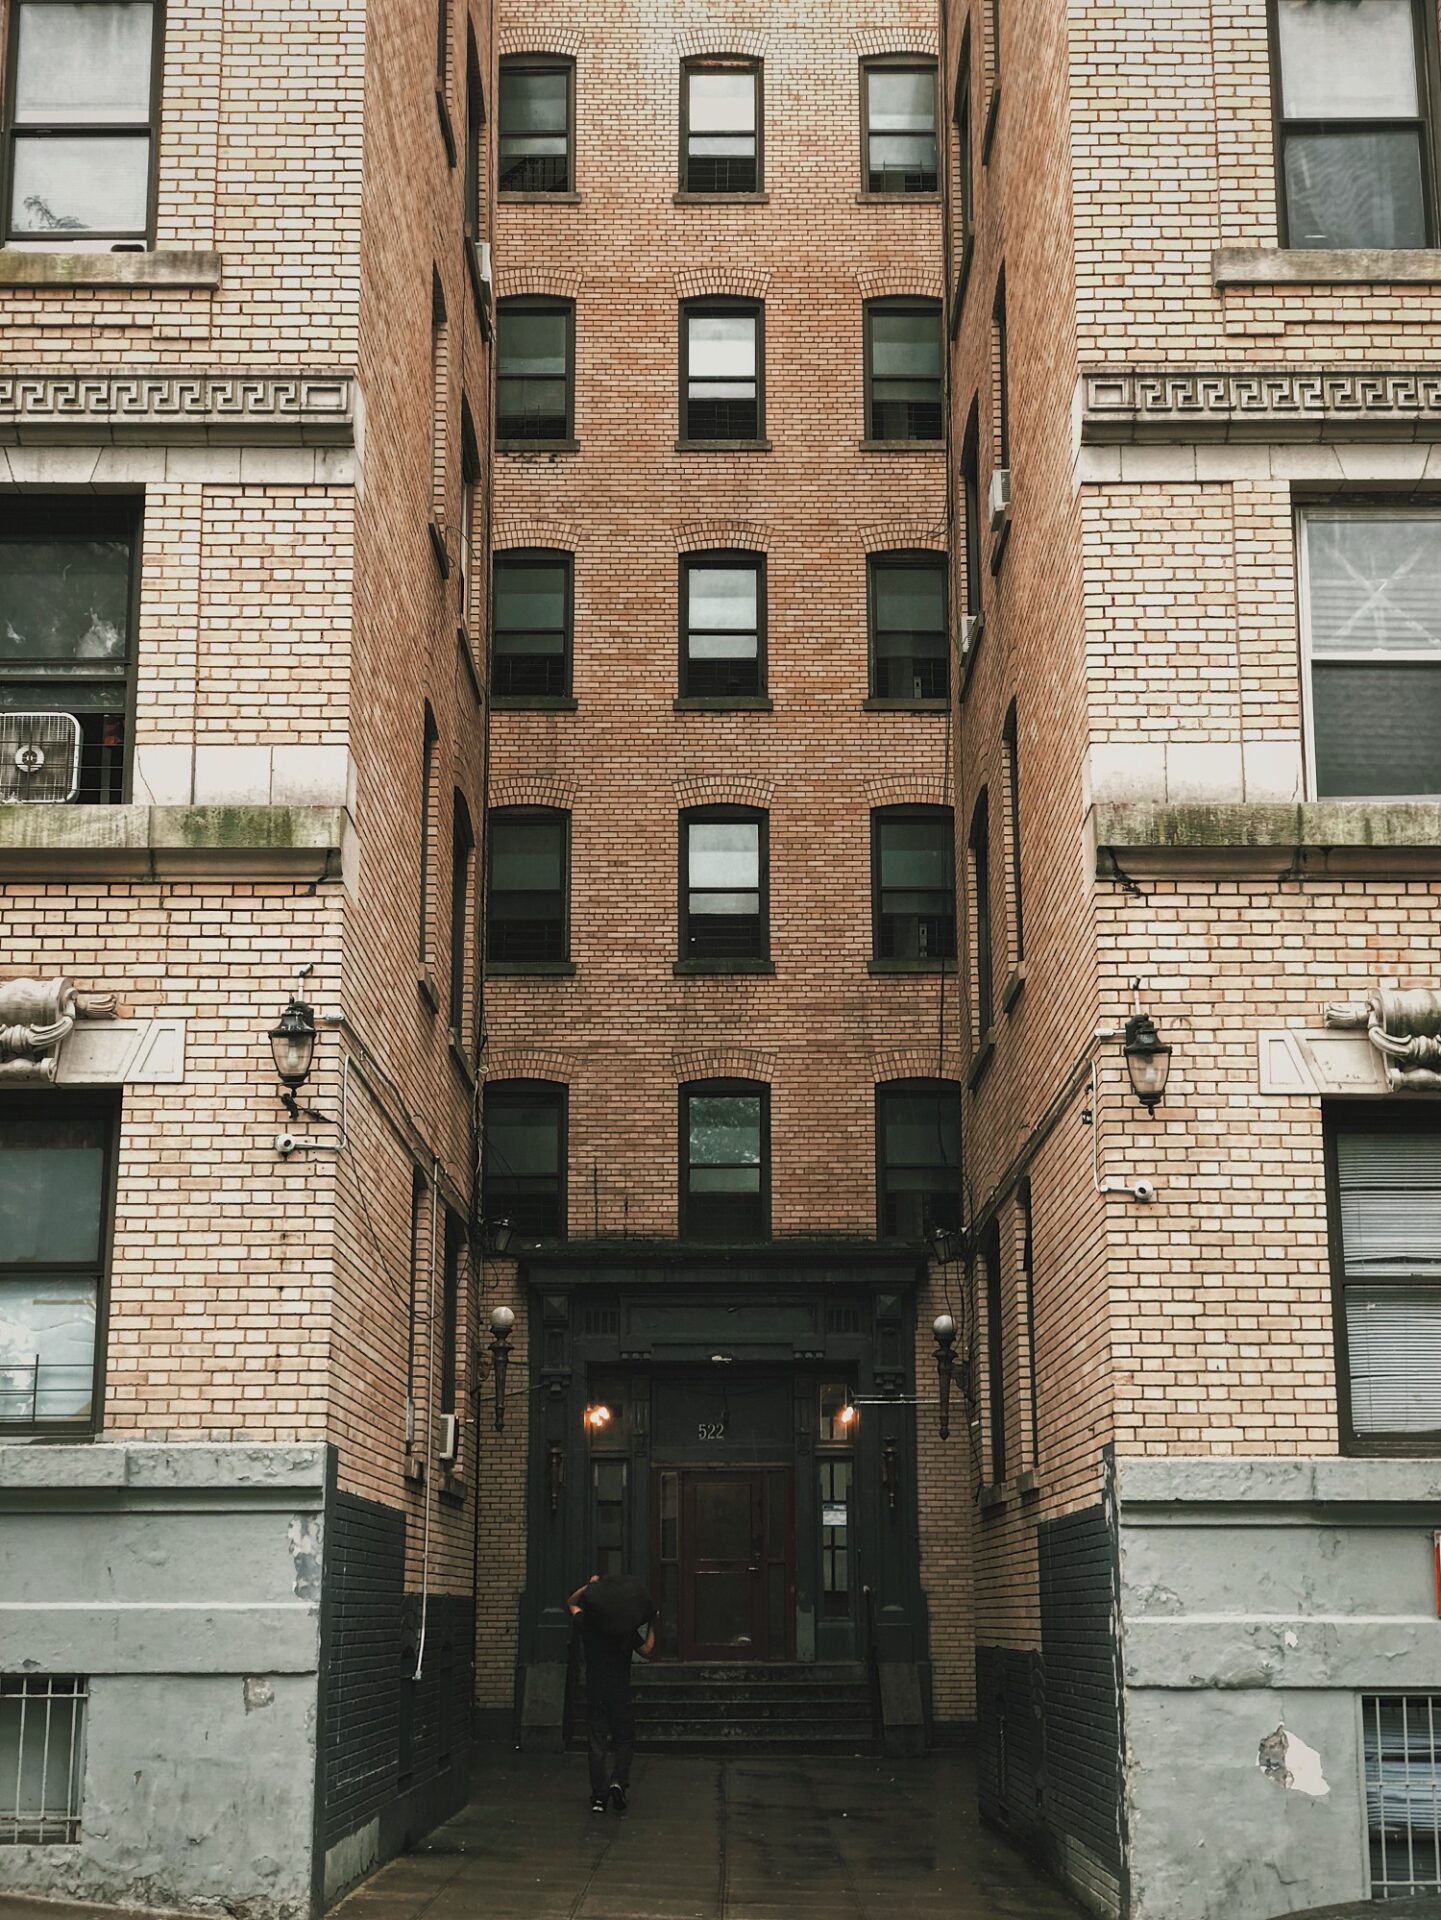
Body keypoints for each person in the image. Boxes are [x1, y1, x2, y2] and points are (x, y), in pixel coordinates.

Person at [568, 1571, 657, 1814]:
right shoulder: (625, 1632)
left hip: (596, 1690)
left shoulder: (587, 1624)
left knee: (597, 1743)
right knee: (625, 1739)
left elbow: (571, 1603)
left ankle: (598, 1797)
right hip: (620, 1691)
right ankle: (618, 1781)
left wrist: (590, 1587)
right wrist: (652, 1623)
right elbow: (648, 1651)